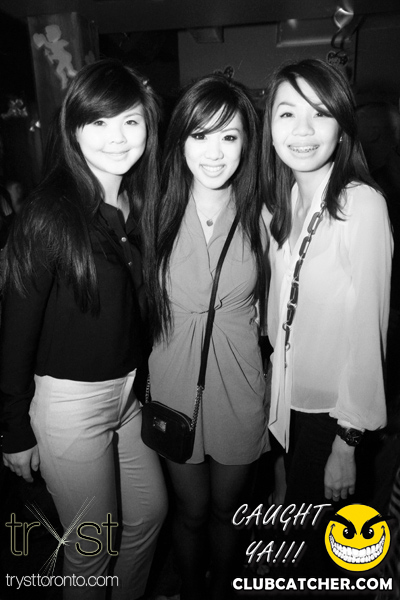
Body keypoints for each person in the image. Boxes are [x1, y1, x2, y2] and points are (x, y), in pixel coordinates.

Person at [0, 59, 167, 600]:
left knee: (149, 515)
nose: (117, 137)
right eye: (98, 122)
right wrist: (14, 429)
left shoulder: (141, 203)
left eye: (130, 121)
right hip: (71, 403)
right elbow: (15, 331)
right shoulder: (49, 212)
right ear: (73, 129)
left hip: (128, 397)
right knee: (91, 547)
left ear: (147, 126)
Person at [261, 58, 392, 574]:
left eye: (320, 113)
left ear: (342, 125)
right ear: (270, 125)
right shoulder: (282, 202)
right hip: (287, 402)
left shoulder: (361, 205)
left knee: (317, 558)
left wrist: (348, 442)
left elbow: (368, 333)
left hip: (331, 417)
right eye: (287, 113)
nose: (303, 130)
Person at [145, 73, 269, 600]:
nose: (214, 152)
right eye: (200, 135)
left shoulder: (266, 215)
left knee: (226, 511)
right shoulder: (155, 211)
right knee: (191, 510)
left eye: (229, 136)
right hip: (173, 388)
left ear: (247, 143)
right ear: (181, 140)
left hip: (240, 388)